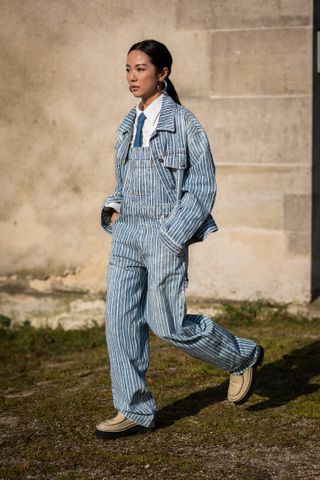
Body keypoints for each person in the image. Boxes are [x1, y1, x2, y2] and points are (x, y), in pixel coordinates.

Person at [96, 39, 264, 440]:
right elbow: (122, 181)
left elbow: (202, 187)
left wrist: (172, 235)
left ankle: (241, 356)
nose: (132, 77)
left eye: (140, 69)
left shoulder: (185, 123)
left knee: (167, 323)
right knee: (119, 322)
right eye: (127, 69)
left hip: (163, 234)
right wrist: (113, 209)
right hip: (126, 235)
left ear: (163, 74)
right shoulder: (127, 123)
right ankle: (133, 408)